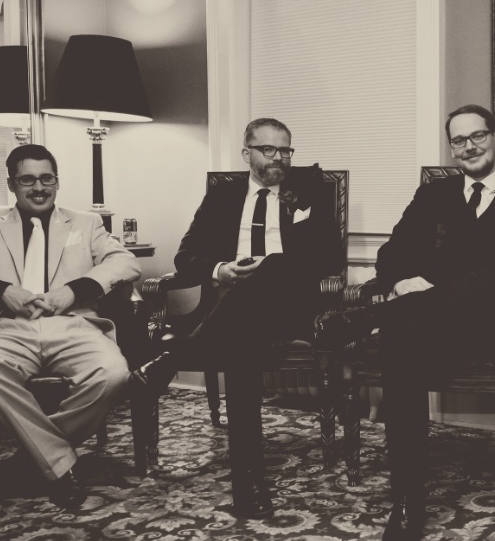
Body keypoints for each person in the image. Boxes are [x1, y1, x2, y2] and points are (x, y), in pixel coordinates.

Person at [317, 104, 495, 541]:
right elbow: (392, 254)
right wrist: (399, 282)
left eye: (477, 136)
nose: (469, 147)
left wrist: (432, 290)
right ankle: (407, 503)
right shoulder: (434, 194)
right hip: (429, 325)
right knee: (401, 341)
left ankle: (372, 317)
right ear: (451, 148)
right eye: (459, 140)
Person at [135, 117, 342, 519]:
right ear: (247, 153)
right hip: (231, 307)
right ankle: (249, 483)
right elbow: (185, 256)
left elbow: (329, 256)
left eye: (285, 150)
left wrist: (271, 266)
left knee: (272, 266)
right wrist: (221, 270)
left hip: (290, 307)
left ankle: (171, 360)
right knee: (241, 345)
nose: (279, 157)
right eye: (269, 149)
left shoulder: (309, 191)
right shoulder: (223, 196)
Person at [0, 144, 139, 509]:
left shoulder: (86, 222)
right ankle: (59, 463)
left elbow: (126, 262)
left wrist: (74, 291)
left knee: (112, 372)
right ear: (12, 184)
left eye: (46, 178)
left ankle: (34, 458)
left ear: (57, 181)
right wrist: (2, 291)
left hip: (71, 324)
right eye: (27, 180)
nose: (39, 188)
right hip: (7, 326)